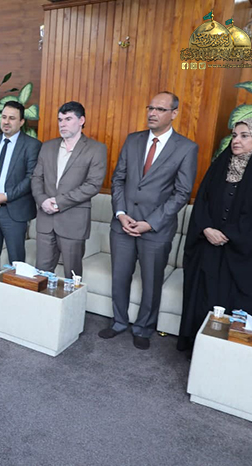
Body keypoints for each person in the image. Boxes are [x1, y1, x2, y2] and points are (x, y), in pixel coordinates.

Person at [98, 92, 198, 350]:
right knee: (120, 277)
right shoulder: (133, 140)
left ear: (174, 113)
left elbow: (182, 193)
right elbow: (118, 179)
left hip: (156, 230)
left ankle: (143, 328)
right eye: (150, 108)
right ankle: (118, 322)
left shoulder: (186, 148)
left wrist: (151, 223)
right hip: (122, 224)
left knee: (151, 282)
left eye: (160, 109)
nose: (152, 113)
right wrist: (120, 213)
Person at [178, 118, 252, 351]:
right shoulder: (220, 166)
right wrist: (206, 228)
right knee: (206, 300)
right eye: (234, 135)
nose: (236, 140)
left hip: (244, 256)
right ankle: (201, 350)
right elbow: (202, 202)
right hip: (210, 249)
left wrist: (229, 233)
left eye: (244, 135)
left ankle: (228, 357)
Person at [31, 101, 106, 278]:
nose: (62, 124)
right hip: (45, 219)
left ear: (81, 121)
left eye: (68, 119)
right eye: (60, 120)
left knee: (72, 277)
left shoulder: (96, 149)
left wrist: (58, 202)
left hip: (73, 222)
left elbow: (93, 185)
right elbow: (36, 178)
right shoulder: (47, 146)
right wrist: (42, 201)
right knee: (40, 274)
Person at [0, 101, 41, 301]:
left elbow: (31, 178)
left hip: (14, 210)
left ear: (21, 122)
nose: (6, 122)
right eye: (4, 117)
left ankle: (15, 297)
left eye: (12, 118)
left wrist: (7, 196)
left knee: (16, 258)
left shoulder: (32, 145)